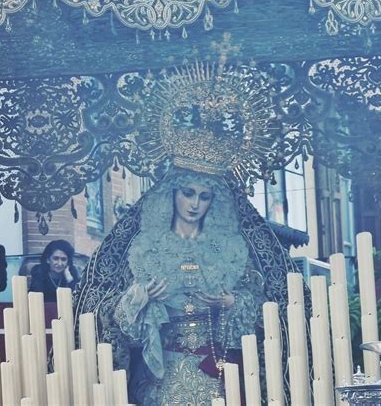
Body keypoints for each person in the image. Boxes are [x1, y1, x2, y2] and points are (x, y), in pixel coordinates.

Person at [73, 167, 307, 404]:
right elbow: (107, 315)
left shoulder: (227, 250)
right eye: (188, 193)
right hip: (162, 373)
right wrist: (136, 300)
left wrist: (232, 302)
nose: (195, 204)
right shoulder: (145, 249)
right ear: (173, 194)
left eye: (204, 197)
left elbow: (261, 303)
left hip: (216, 371)